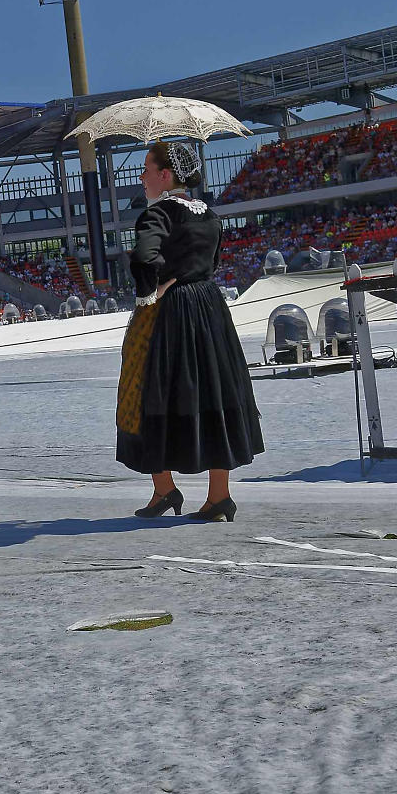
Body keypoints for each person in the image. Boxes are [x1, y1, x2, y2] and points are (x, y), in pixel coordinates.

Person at [119, 142, 265, 521]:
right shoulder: (210, 216)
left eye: (146, 169)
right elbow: (212, 262)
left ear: (165, 176)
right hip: (210, 308)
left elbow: (144, 259)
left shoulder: (158, 216)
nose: (142, 177)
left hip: (171, 315)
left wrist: (152, 289)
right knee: (215, 390)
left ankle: (164, 489)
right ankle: (219, 496)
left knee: (149, 393)